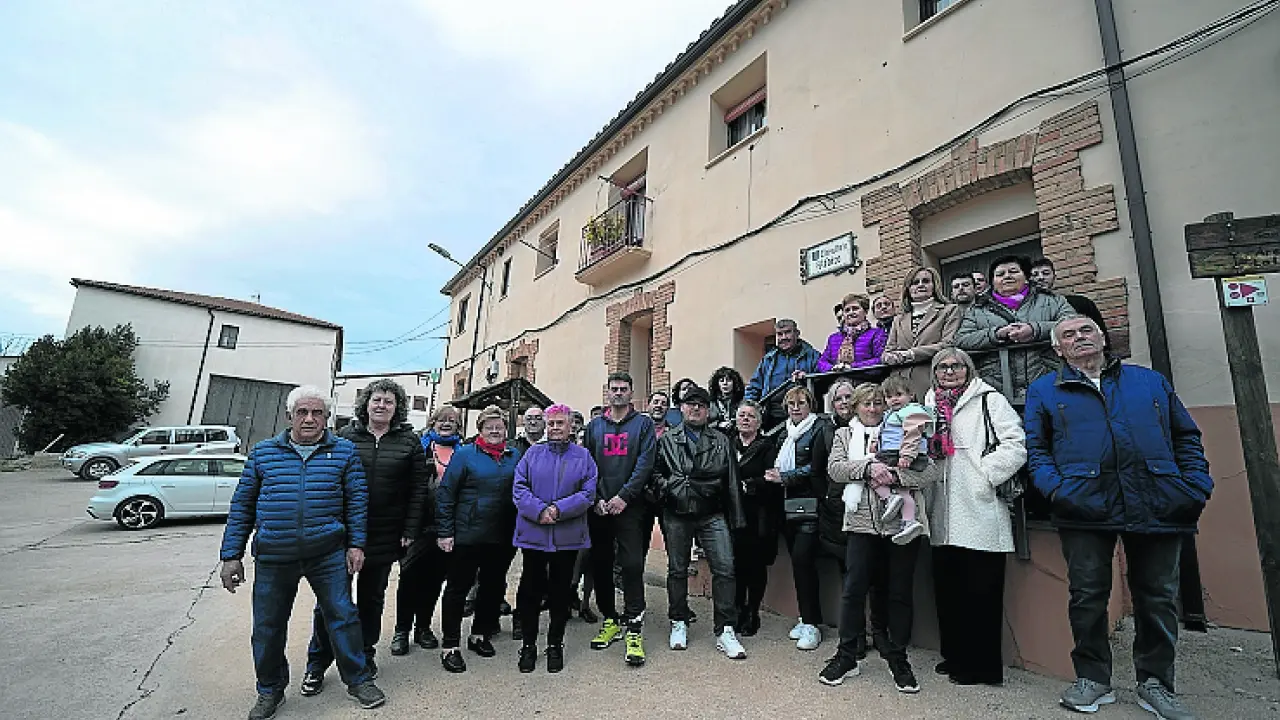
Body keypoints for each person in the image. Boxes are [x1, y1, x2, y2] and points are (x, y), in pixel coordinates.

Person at [1025, 317, 1212, 719]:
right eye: (1069, 335)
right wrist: (1057, 490)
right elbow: (1037, 449)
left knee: (1157, 597)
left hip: (1157, 498)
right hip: (1083, 503)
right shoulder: (1044, 390)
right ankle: (1092, 678)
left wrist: (1195, 485)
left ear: (1102, 337)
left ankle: (1156, 683)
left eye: (1086, 331)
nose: (1079, 338)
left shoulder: (1148, 381)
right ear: (1058, 349)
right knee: (1087, 596)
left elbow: (1185, 436)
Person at [218, 386, 385, 719]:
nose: (309, 419)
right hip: (274, 555)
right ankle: (270, 690)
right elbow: (242, 506)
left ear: (327, 418)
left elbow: (356, 502)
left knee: (343, 617)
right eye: (302, 412)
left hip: (327, 554)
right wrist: (231, 555)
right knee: (267, 626)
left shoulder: (344, 452)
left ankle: (358, 680)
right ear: (289, 416)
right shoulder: (263, 453)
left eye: (317, 413)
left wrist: (356, 544)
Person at [303, 380, 429, 697]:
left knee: (372, 600)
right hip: (342, 534)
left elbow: (417, 490)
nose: (381, 405)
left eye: (388, 401)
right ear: (366, 404)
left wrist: (410, 530)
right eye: (377, 400)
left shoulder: (410, 442)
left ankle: (365, 654)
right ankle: (317, 663)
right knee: (331, 601)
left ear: (397, 407)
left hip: (386, 534)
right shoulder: (345, 437)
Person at [825, 380, 941, 694]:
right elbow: (835, 469)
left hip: (903, 526)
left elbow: (929, 471)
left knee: (898, 592)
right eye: (867, 403)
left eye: (878, 402)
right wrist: (868, 469)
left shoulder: (905, 426)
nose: (874, 408)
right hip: (861, 524)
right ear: (856, 407)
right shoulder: (844, 435)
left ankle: (897, 657)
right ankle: (847, 655)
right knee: (854, 590)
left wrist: (894, 475)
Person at [924, 348, 1026, 686]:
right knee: (949, 591)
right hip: (942, 510)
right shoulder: (930, 404)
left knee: (981, 593)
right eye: (942, 366)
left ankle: (982, 667)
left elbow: (1015, 444)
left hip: (979, 507)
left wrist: (985, 475)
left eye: (956, 366)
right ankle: (955, 656)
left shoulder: (989, 400)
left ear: (968, 369)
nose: (949, 371)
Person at [650, 385, 749, 659]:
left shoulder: (721, 440)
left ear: (708, 410)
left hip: (712, 511)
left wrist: (737, 517)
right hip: (677, 511)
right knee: (677, 569)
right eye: (690, 404)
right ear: (681, 408)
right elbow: (655, 472)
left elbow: (731, 480)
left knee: (725, 568)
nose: (695, 408)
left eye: (701, 405)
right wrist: (669, 487)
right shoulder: (667, 440)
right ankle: (678, 620)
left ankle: (726, 629)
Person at [512, 404, 598, 673]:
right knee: (530, 591)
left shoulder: (583, 457)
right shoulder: (532, 454)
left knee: (560, 593)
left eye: (560, 423)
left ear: (570, 426)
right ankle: (528, 645)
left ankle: (555, 644)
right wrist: (540, 510)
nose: (555, 428)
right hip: (534, 533)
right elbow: (519, 488)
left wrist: (559, 510)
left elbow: (588, 493)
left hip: (567, 535)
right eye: (551, 423)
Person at [435, 405, 521, 674]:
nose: (495, 431)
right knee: (458, 589)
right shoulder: (464, 455)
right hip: (467, 534)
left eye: (499, 426)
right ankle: (450, 645)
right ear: (480, 430)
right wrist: (445, 532)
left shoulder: (513, 456)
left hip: (501, 534)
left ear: (505, 430)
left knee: (492, 587)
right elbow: (446, 494)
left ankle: (480, 633)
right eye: (489, 426)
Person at [582, 371, 658, 667]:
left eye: (623, 389)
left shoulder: (643, 425)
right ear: (607, 392)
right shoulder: (594, 427)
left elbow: (645, 463)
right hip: (600, 507)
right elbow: (588, 465)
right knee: (600, 565)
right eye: (613, 388)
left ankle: (634, 626)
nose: (618, 393)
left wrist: (624, 496)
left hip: (631, 507)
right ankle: (610, 619)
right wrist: (597, 499)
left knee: (632, 565)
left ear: (631, 392)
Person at [767, 385, 835, 652]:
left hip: (810, 505)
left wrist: (786, 477)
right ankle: (805, 617)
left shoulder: (819, 428)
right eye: (791, 404)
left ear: (811, 405)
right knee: (798, 565)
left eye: (801, 403)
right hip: (787, 506)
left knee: (803, 561)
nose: (796, 408)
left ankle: (812, 623)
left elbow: (819, 467)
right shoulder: (785, 432)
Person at [956, 255, 1075, 403]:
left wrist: (1035, 329)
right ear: (992, 282)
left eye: (1013, 271)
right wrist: (996, 334)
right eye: (1000, 274)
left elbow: (1072, 324)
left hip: (1051, 380)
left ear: (1026, 277)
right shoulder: (977, 310)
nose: (1007, 276)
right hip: (996, 389)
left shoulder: (1053, 300)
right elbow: (961, 340)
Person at [394, 407, 461, 655]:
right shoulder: (419, 448)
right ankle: (401, 630)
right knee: (409, 577)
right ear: (432, 423)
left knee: (434, 580)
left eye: (451, 421)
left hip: (447, 526)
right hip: (418, 524)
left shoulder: (462, 452)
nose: (446, 424)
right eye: (441, 420)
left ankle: (423, 627)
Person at [729, 400, 780, 638]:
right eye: (742, 415)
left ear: (759, 423)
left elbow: (771, 479)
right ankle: (738, 609)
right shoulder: (728, 444)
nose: (745, 419)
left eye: (751, 416)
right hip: (733, 514)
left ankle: (752, 612)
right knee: (736, 565)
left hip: (759, 515)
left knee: (756, 566)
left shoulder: (767, 446)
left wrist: (747, 485)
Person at [868, 377, 933, 545]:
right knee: (903, 490)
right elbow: (884, 431)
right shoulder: (891, 414)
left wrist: (907, 456)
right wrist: (876, 443)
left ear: (911, 395)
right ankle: (909, 521)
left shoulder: (912, 411)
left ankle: (890, 498)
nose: (894, 399)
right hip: (892, 452)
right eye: (889, 396)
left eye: (898, 394)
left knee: (872, 476)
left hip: (901, 454)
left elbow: (913, 434)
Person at [882, 266, 963, 399]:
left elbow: (948, 344)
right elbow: (888, 350)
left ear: (934, 285)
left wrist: (911, 354)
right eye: (915, 282)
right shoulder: (898, 319)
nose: (920, 285)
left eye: (926, 281)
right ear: (908, 288)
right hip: (901, 386)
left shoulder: (949, 310)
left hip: (933, 378)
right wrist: (887, 357)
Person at [744, 319, 822, 431]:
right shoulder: (768, 359)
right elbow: (755, 385)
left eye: (787, 332)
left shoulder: (812, 356)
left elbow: (823, 382)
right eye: (780, 334)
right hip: (772, 414)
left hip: (801, 413)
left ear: (797, 333)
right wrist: (748, 406)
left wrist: (807, 377)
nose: (783, 337)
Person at [1029, 257, 1111, 350]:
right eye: (1035, 274)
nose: (1041, 277)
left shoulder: (1081, 303)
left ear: (1054, 276)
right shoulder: (1024, 307)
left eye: (1046, 273)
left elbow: (1100, 333)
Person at [817, 294, 888, 372]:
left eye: (855, 309)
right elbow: (822, 362)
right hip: (837, 378)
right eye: (847, 310)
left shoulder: (877, 333)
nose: (851, 313)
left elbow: (880, 359)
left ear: (865, 312)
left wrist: (852, 367)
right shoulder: (833, 338)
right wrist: (832, 368)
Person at [708, 366, 746, 433]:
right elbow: (705, 424)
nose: (725, 383)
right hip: (714, 435)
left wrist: (734, 423)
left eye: (728, 380)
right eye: (721, 381)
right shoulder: (711, 402)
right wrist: (718, 424)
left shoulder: (742, 402)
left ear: (735, 383)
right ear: (717, 384)